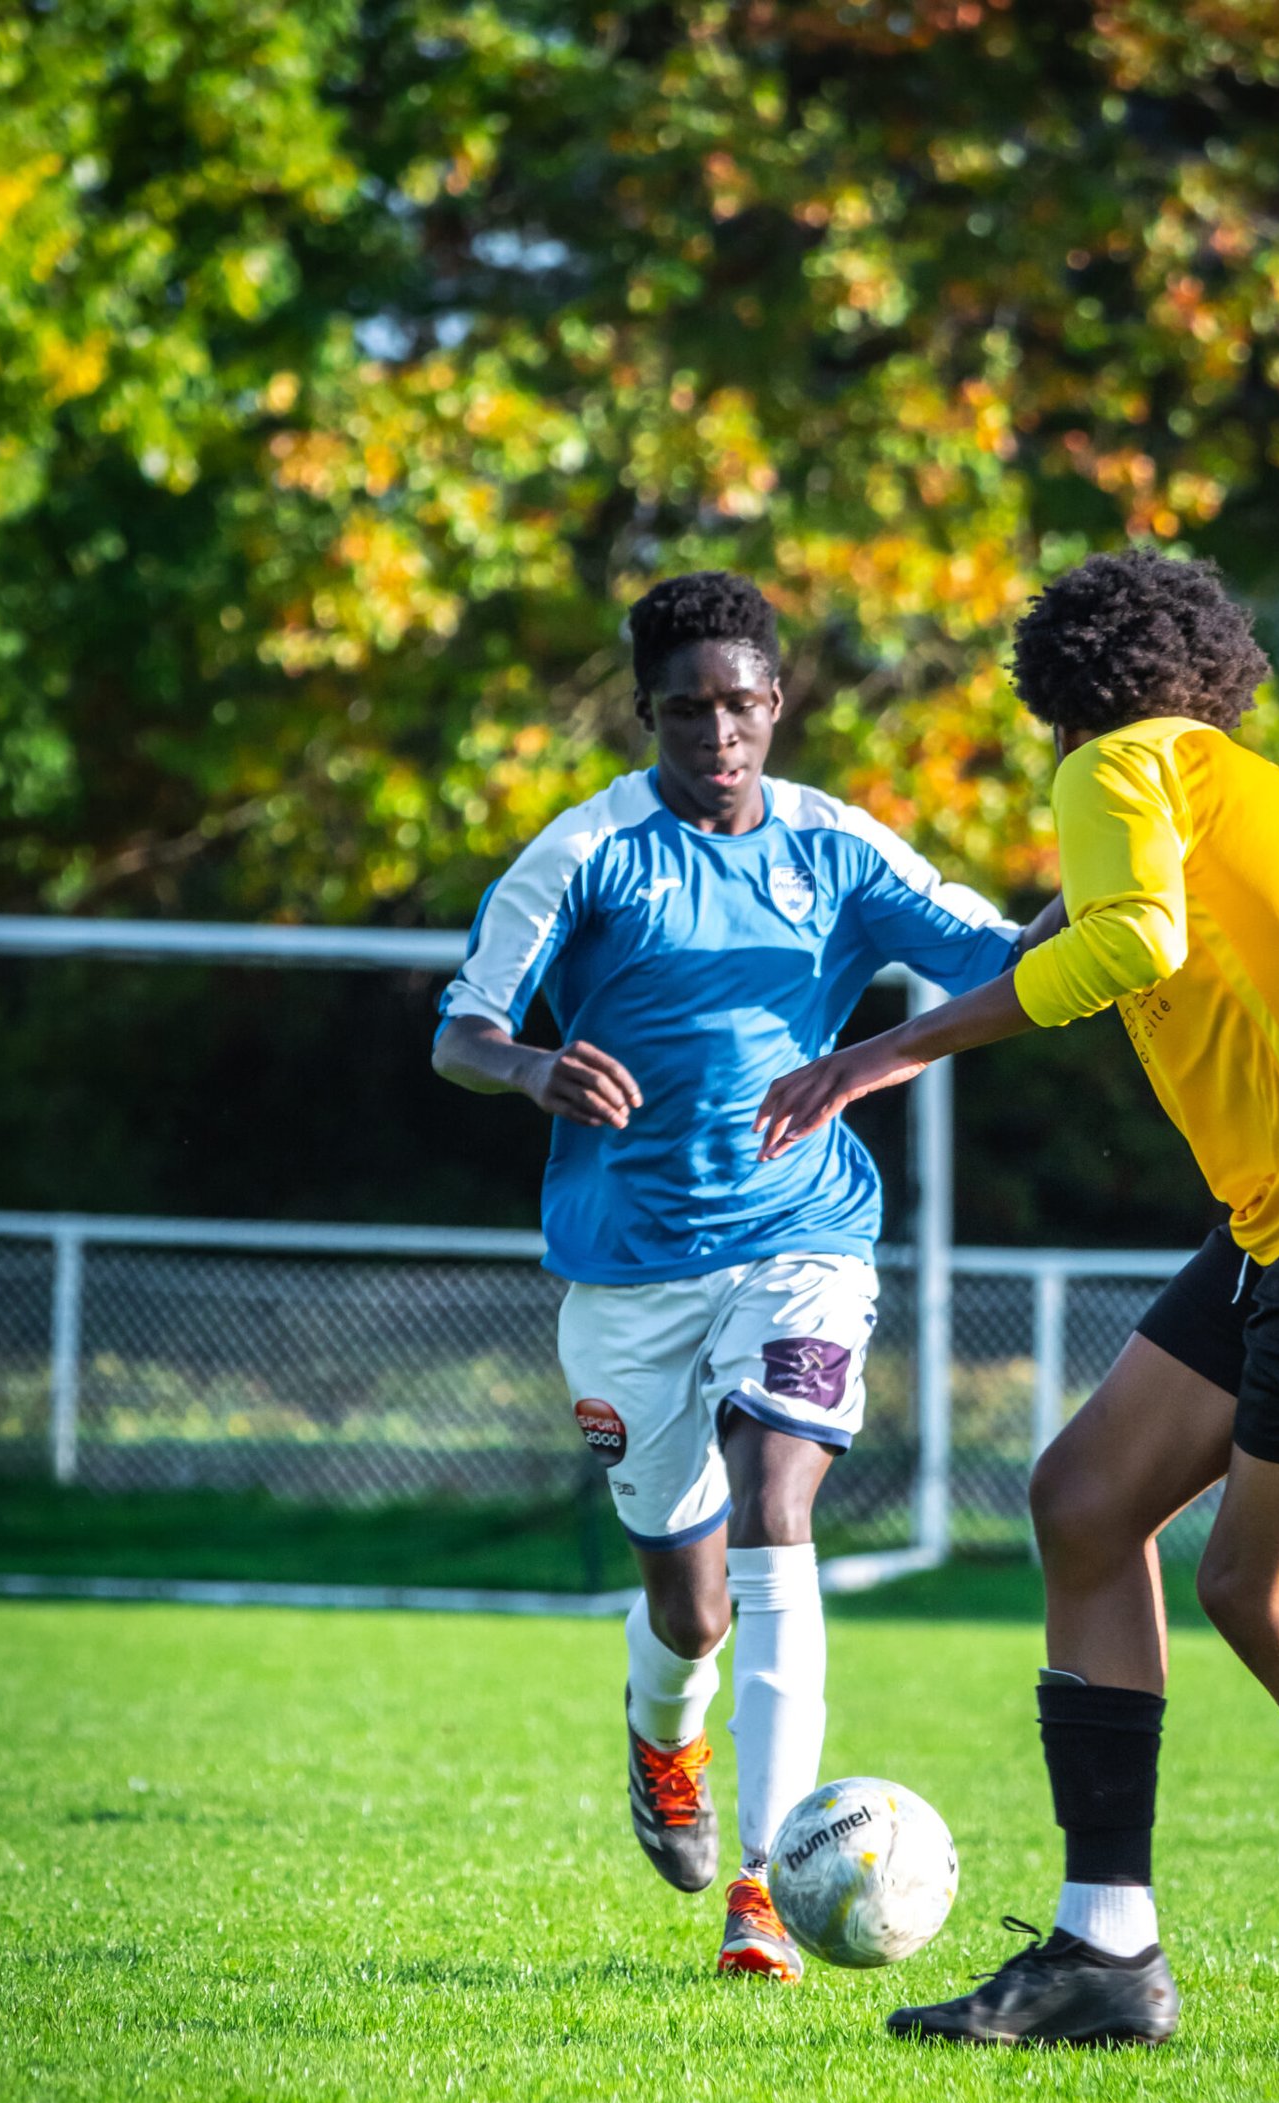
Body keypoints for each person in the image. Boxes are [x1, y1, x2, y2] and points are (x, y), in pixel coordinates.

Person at [757, 549, 1279, 2055]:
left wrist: (885, 1052)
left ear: (1057, 695)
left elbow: (1136, 939)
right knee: (1085, 1500)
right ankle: (1106, 1954)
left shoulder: (1116, 765)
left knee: (1266, 1593)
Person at [434, 571, 1052, 1982]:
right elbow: (462, 1030)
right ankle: (664, 1742)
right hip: (626, 1268)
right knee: (690, 1605)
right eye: (687, 709)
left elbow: (1007, 964)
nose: (718, 732)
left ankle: (764, 1884)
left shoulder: (840, 846)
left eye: (741, 704)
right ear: (645, 712)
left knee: (779, 1507)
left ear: (777, 701)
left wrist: (1116, 880)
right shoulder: (585, 853)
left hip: (801, 1236)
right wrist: (532, 1068)